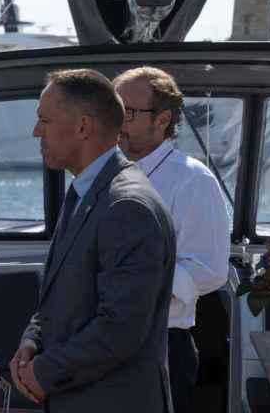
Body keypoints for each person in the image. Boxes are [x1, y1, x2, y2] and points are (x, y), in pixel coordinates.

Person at [11, 68, 175, 413]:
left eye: (45, 121)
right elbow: (60, 298)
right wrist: (32, 341)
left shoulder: (127, 207)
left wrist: (44, 372)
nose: (35, 131)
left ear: (83, 127)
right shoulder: (86, 192)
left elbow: (121, 328)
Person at [113, 66, 231, 413]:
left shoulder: (192, 180)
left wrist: (136, 285)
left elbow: (209, 270)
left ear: (162, 119)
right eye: (112, 109)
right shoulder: (103, 174)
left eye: (127, 112)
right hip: (100, 345)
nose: (117, 120)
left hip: (160, 346)